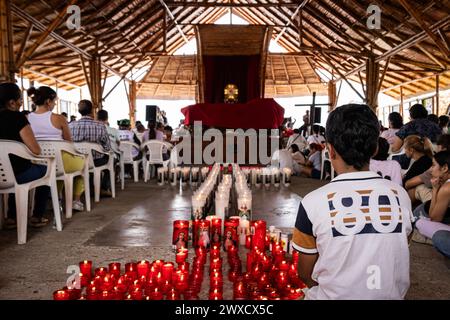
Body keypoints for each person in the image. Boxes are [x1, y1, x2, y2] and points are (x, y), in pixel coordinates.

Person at [292, 104, 412, 300]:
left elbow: (304, 273)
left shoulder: (312, 203)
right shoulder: (401, 196)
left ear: (329, 151)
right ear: (374, 149)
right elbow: (399, 246)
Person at [27, 86, 86, 211]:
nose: (54, 104)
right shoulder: (59, 118)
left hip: (36, 162)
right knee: (84, 164)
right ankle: (76, 200)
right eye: (54, 102)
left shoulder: (27, 118)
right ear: (48, 101)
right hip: (60, 163)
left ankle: (55, 198)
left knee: (59, 168)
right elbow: (69, 142)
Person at [0, 83, 50, 228]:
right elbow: (36, 150)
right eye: (20, 99)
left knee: (13, 170)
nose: (22, 103)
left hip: (2, 175)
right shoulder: (18, 117)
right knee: (46, 170)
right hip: (18, 174)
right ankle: (37, 216)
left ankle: (11, 218)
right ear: (11, 102)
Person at [69, 100, 112, 196]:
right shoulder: (100, 125)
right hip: (96, 161)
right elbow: (107, 146)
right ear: (92, 111)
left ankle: (85, 188)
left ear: (79, 111)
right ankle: (103, 188)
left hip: (76, 160)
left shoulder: (71, 125)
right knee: (110, 160)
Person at [405, 134, 450, 204]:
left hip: (440, 201)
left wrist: (435, 189)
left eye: (439, 153)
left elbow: (408, 184)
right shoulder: (428, 160)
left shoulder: (434, 168)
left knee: (417, 187)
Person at [412, 151, 450, 223]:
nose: (430, 169)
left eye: (433, 165)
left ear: (445, 168)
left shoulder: (446, 188)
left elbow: (434, 219)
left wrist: (435, 189)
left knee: (421, 223)